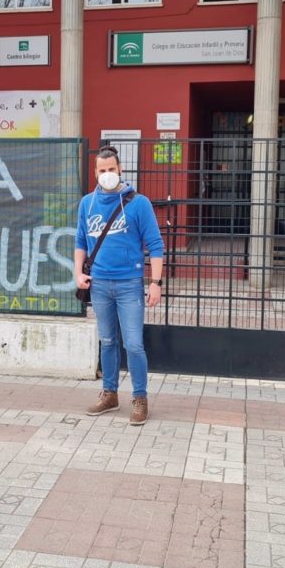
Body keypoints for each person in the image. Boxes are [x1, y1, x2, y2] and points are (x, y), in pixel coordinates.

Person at [75, 146, 164, 425]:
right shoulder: (87, 204)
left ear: (120, 169)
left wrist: (156, 283)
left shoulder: (138, 203)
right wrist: (78, 272)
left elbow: (156, 245)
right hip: (99, 284)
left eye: (111, 169)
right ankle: (110, 394)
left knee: (134, 344)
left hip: (129, 285)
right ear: (95, 173)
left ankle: (140, 398)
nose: (107, 175)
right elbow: (80, 242)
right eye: (102, 171)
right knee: (108, 340)